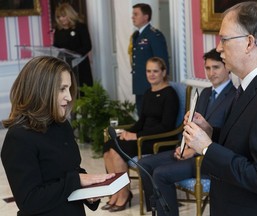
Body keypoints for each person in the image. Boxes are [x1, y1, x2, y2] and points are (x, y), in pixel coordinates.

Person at [183, 2, 257, 215]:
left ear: (249, 43)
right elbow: (247, 142)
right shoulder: (251, 85)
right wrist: (211, 133)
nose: (219, 48)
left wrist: (207, 148)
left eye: (224, 39)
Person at [1, 56, 115, 216]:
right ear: (41, 89)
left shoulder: (61, 125)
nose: (69, 97)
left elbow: (71, 170)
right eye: (62, 89)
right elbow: (29, 201)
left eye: (69, 89)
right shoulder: (18, 137)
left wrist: (89, 191)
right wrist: (76, 181)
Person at [138, 48, 236, 216]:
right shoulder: (205, 93)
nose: (211, 73)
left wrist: (193, 150)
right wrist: (183, 146)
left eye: (216, 67)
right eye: (207, 68)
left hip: (208, 159)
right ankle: (157, 209)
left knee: (161, 174)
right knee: (144, 164)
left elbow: (228, 138)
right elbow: (192, 126)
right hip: (188, 149)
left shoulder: (234, 97)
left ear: (227, 67)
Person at [102, 57, 179, 212]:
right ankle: (116, 192)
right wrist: (129, 131)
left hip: (159, 139)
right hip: (144, 136)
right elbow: (142, 121)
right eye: (148, 71)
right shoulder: (148, 93)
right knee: (109, 145)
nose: (151, 74)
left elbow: (166, 126)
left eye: (155, 71)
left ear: (164, 72)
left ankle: (124, 194)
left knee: (118, 152)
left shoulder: (170, 94)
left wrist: (136, 136)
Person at [129, 3, 170, 116]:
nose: (133, 17)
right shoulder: (136, 35)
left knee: (150, 119)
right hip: (140, 85)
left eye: (136, 14)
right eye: (133, 14)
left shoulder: (154, 35)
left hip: (152, 86)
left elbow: (162, 61)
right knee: (142, 117)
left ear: (146, 17)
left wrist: (161, 86)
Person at [53, 3, 93, 91]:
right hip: (65, 65)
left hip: (80, 65)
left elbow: (87, 46)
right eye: (59, 17)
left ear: (69, 14)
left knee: (83, 91)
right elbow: (56, 46)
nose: (61, 19)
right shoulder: (58, 30)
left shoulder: (80, 27)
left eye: (63, 16)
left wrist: (73, 54)